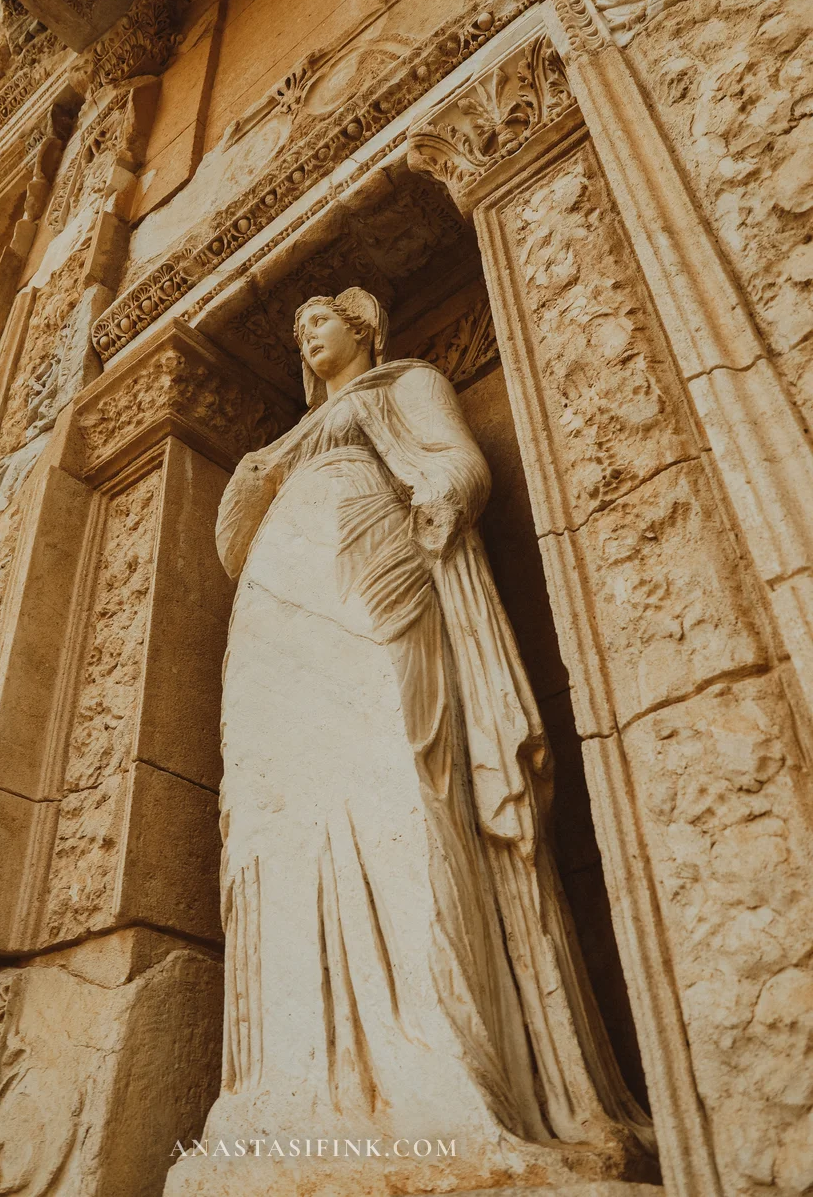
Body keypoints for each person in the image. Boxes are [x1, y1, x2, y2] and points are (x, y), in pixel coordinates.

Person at [186, 287, 653, 1194]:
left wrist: (439, 499)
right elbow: (231, 548)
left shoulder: (405, 383)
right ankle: (299, 1088)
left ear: (363, 326)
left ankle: (440, 1069)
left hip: (373, 581)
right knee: (276, 821)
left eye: (318, 317)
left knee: (402, 781)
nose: (304, 331)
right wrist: (250, 482)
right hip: (281, 615)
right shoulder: (283, 440)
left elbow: (458, 464)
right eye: (295, 326)